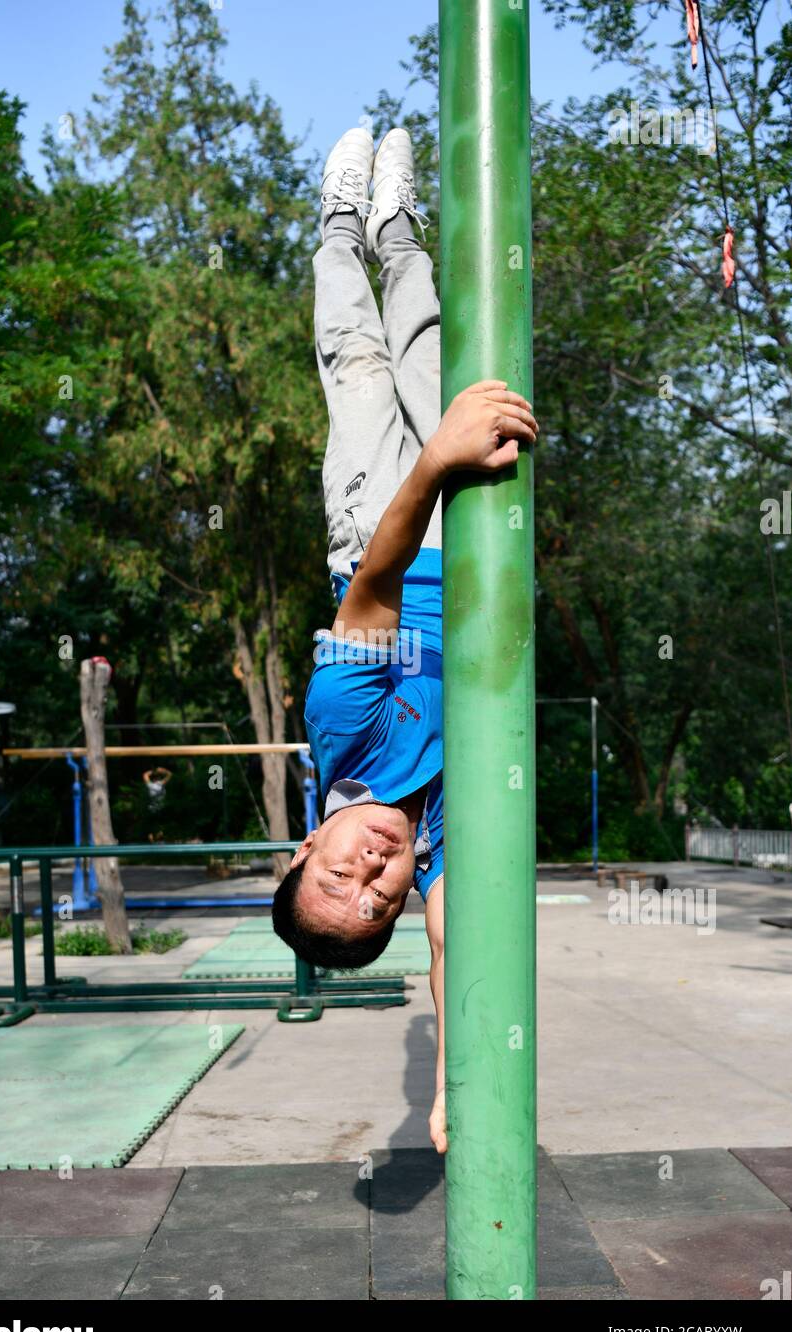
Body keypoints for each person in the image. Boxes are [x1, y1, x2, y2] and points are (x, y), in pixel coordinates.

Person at [272, 126, 538, 1149]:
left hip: (387, 517)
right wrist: (452, 1087)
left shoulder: (343, 745)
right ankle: (398, 230)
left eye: (337, 874)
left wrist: (433, 465)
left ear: (306, 845)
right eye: (372, 899)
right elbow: (451, 939)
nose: (371, 873)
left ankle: (338, 228)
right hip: (473, 550)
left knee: (358, 358)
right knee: (430, 340)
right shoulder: (433, 844)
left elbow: (378, 586)